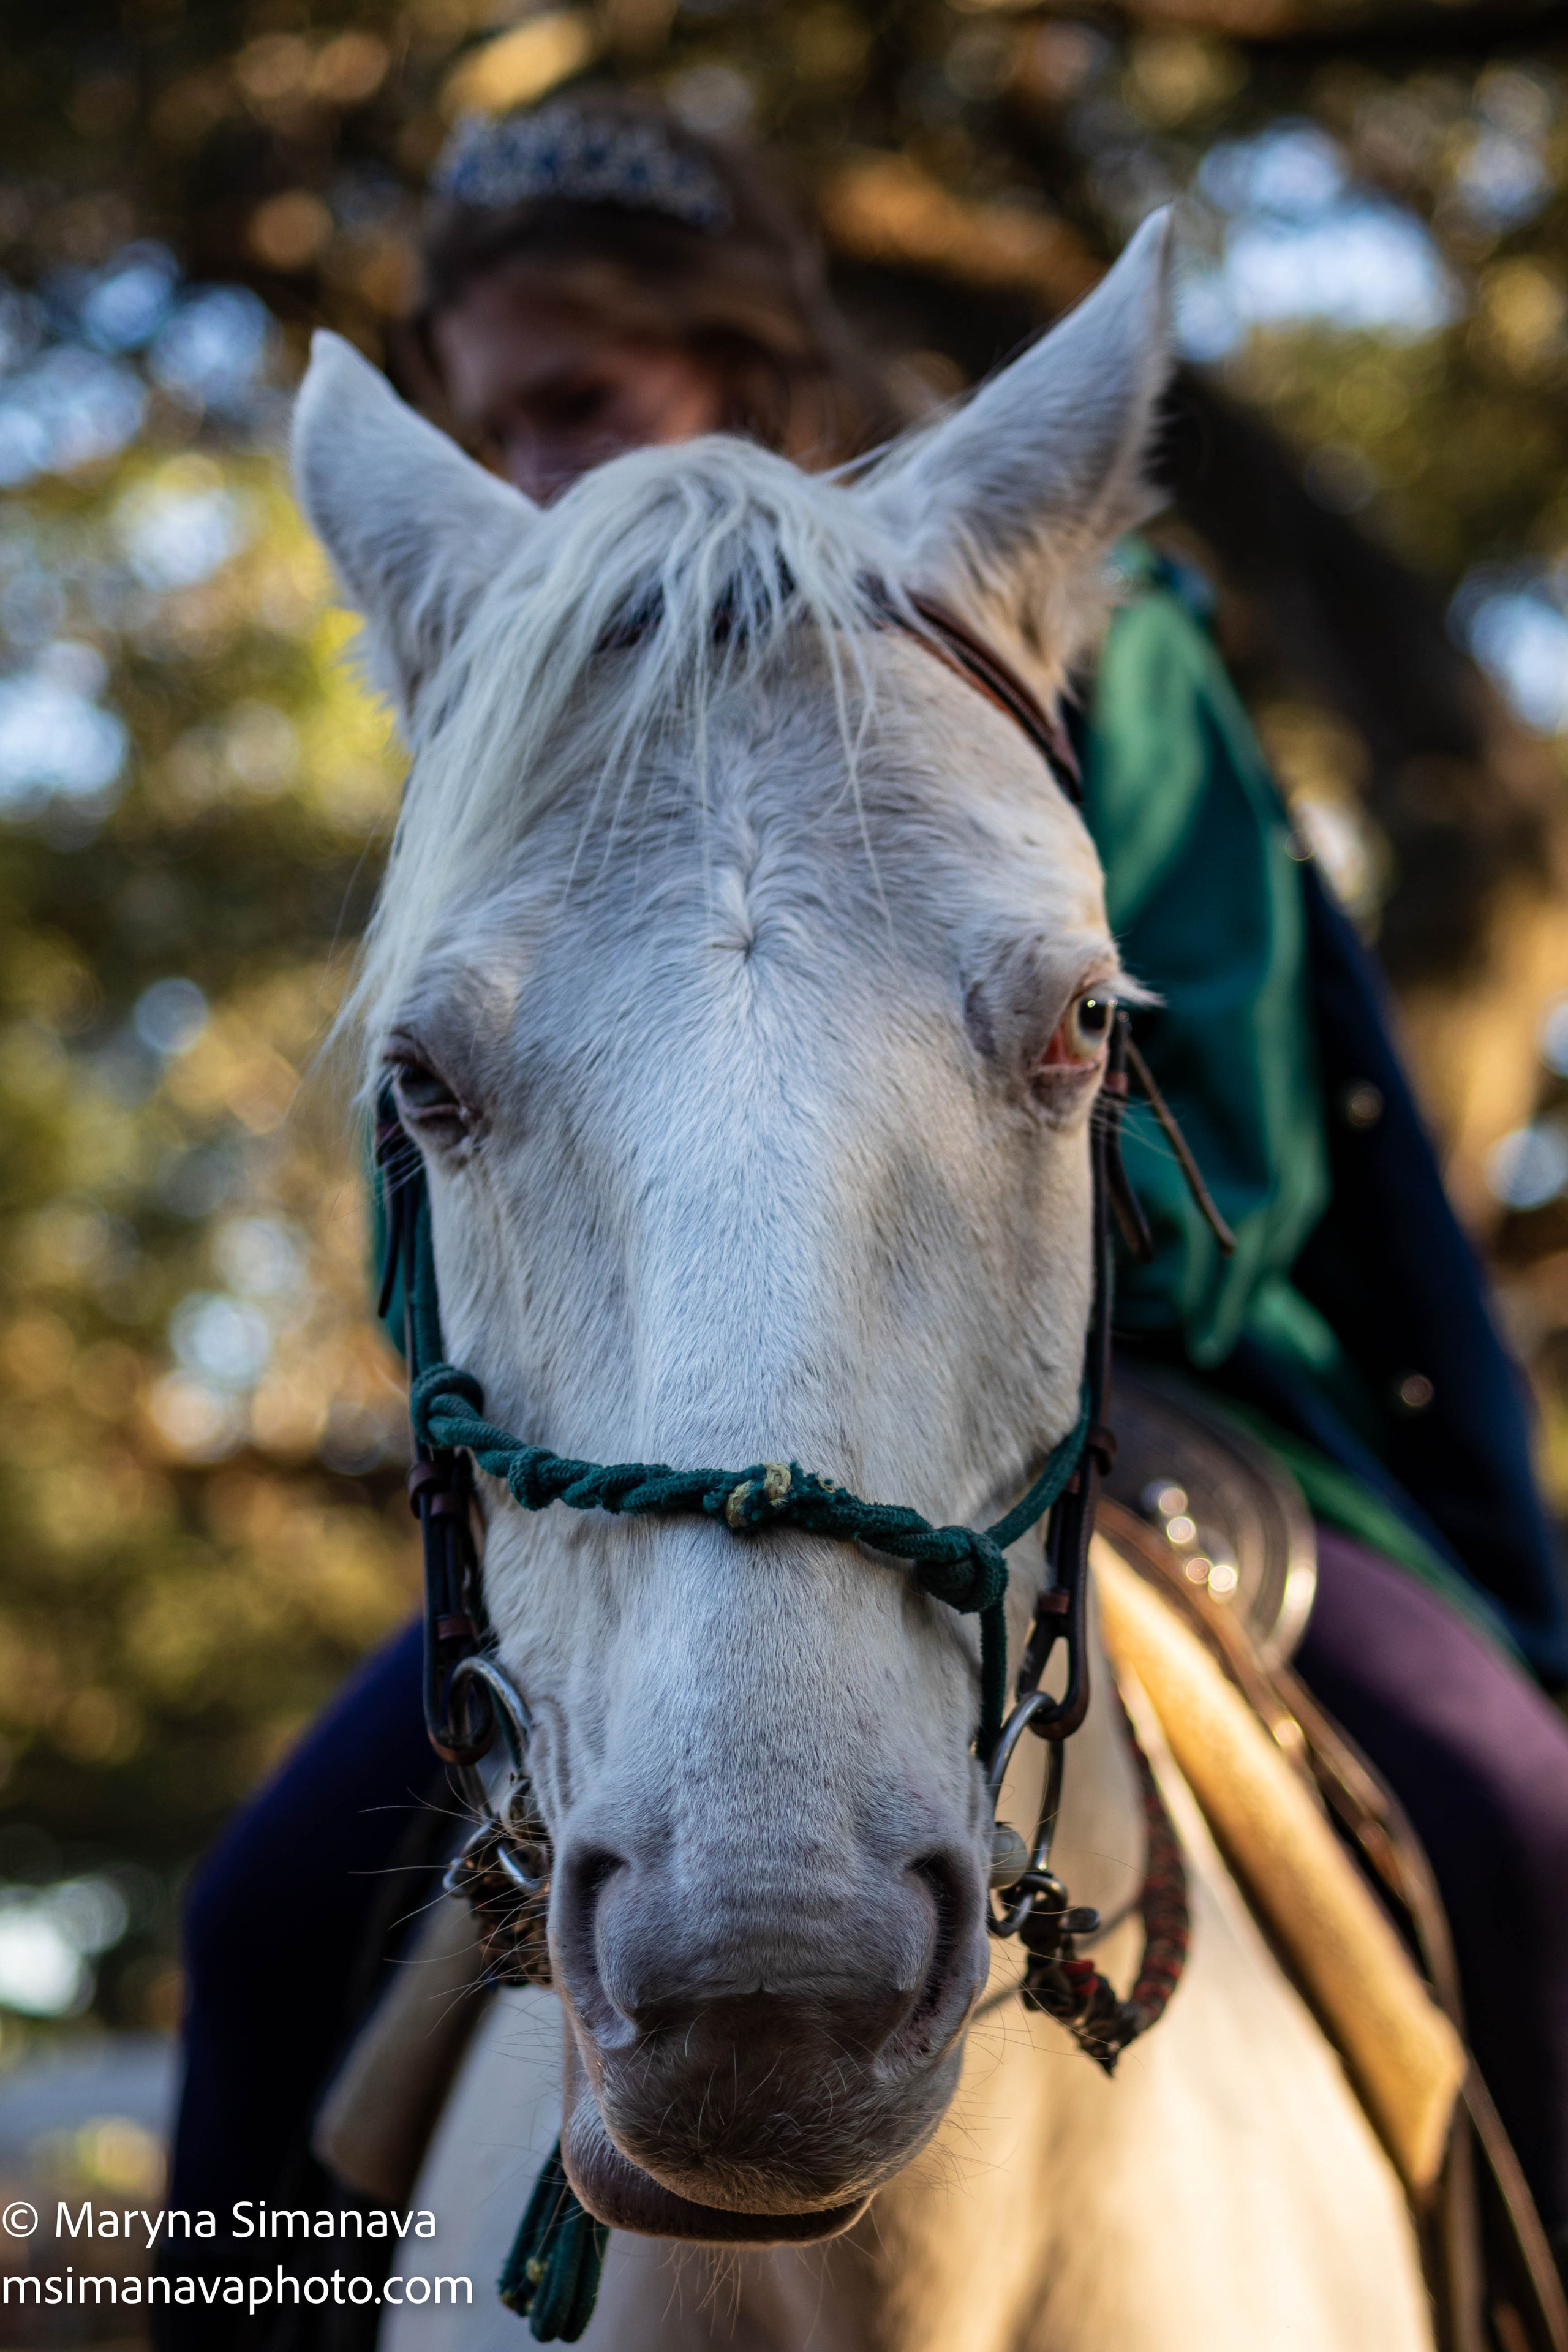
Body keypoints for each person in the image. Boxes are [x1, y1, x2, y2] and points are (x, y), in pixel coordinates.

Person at [167, 89, 1568, 2309]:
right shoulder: (527, 718)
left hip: (1134, 1397)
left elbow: (1253, 1145)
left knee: (1517, 1812)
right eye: (492, 420)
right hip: (658, 1433)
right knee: (258, 1924)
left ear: (737, 363)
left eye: (583, 403)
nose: (532, 471)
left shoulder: (1103, 630)